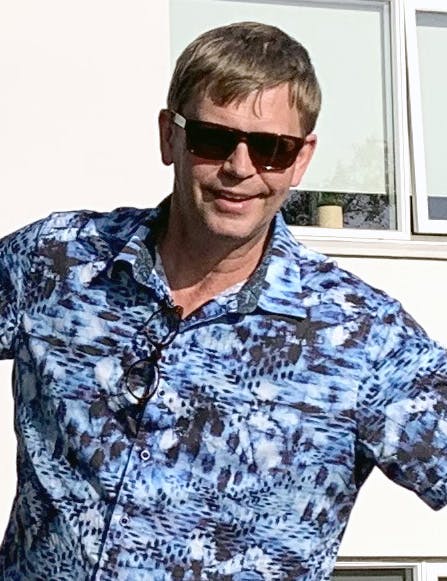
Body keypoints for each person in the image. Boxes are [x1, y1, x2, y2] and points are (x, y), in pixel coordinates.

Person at [0, 20, 446, 581]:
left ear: (301, 159)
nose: (240, 168)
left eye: (271, 148)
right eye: (213, 139)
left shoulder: (360, 336)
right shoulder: (60, 261)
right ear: (170, 137)